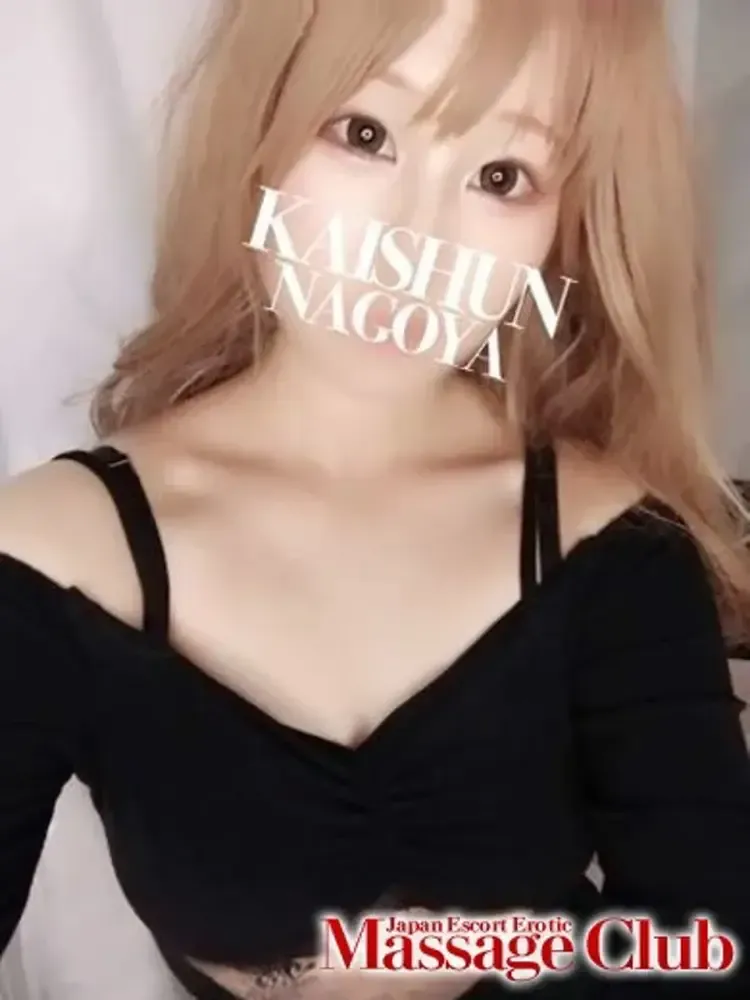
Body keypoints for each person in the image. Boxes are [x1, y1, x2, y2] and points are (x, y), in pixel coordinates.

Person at [1, 0, 750, 997]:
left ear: (559, 232)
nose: (415, 241)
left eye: (501, 176)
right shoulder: (60, 556)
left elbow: (705, 940)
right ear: (260, 136)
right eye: (364, 134)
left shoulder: (612, 539)